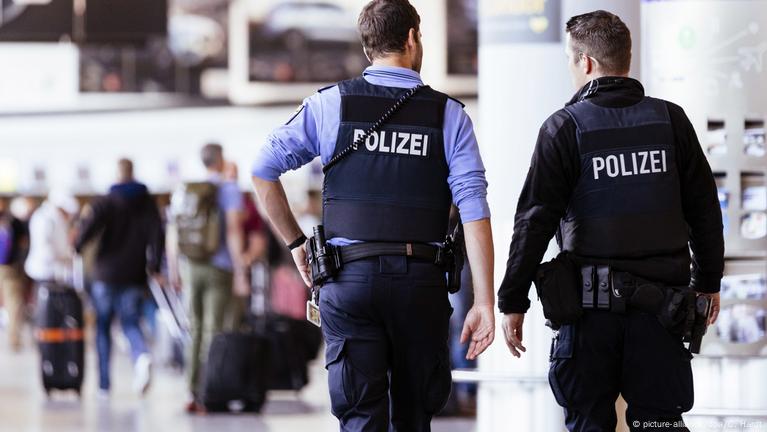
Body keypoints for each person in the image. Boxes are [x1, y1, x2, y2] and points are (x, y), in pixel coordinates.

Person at [251, 1, 495, 430]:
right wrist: (484, 301)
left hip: (349, 282)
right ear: (413, 38)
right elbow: (474, 209)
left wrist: (296, 244)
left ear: (367, 48)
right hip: (421, 285)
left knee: (361, 418)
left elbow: (263, 170)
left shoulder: (329, 105)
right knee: (414, 417)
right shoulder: (449, 116)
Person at [497, 11, 725, 432]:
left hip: (589, 316)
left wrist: (513, 301)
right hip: (663, 313)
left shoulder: (564, 128)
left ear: (585, 62)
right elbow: (704, 209)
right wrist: (708, 282)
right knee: (660, 424)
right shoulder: (671, 120)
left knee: (589, 422)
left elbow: (534, 222)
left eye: (571, 60)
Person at [74, 159, 165, 397]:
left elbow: (85, 233)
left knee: (103, 326)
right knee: (130, 322)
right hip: (135, 273)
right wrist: (155, 266)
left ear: (117, 174)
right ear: (133, 172)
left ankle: (104, 385)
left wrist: (78, 246)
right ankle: (141, 355)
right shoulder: (147, 203)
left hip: (105, 274)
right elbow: (158, 235)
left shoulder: (106, 202)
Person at [180, 143, 246, 413]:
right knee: (213, 329)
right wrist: (240, 270)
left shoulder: (188, 190)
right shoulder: (229, 189)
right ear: (220, 159)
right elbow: (233, 229)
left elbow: (175, 230)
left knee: (194, 328)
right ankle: (208, 391)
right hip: (220, 267)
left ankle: (191, 391)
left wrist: (175, 268)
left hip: (191, 265)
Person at [25, 189, 79, 285]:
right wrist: (64, 259)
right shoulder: (44, 218)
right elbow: (45, 249)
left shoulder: (56, 219)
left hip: (55, 272)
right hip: (45, 271)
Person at [0, 195, 30, 351]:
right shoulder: (14, 221)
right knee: (14, 302)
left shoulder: (10, 222)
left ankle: (13, 335)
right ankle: (14, 337)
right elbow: (24, 243)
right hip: (11, 268)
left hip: (4, 267)